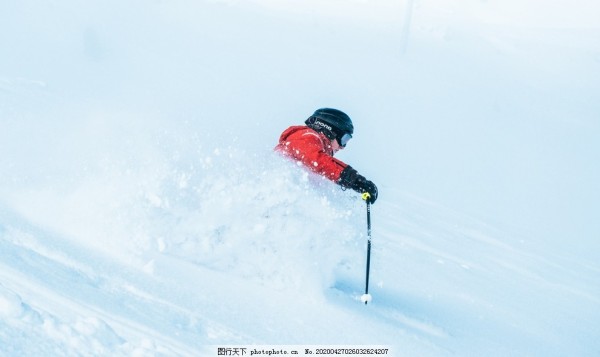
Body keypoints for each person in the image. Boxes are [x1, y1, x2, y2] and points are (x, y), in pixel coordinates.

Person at [275, 108, 378, 204]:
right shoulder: (307, 136)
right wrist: (354, 180)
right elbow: (318, 160)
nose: (342, 147)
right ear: (330, 131)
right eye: (344, 139)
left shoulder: (314, 148)